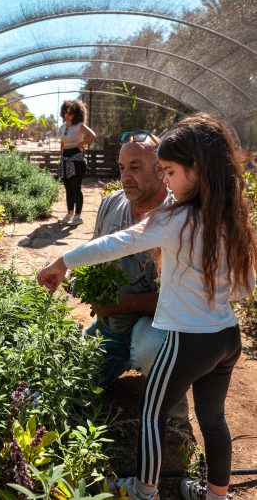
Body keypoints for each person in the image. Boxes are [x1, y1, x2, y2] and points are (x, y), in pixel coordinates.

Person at [38, 113, 256, 500]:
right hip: (225, 336)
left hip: (187, 342)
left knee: (152, 417)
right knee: (214, 420)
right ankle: (217, 495)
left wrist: (62, 262)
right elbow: (244, 290)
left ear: (197, 169)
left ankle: (143, 491)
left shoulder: (176, 217)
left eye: (170, 171)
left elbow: (116, 243)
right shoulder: (229, 215)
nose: (167, 180)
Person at [85, 130, 188, 422]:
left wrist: (117, 303)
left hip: (158, 328)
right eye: (121, 167)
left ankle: (173, 402)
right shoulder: (109, 204)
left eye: (135, 167)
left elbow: (178, 300)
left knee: (149, 347)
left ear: (159, 170)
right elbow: (95, 259)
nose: (125, 177)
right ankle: (118, 355)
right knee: (78, 379)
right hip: (110, 328)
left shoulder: (178, 217)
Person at [57, 100, 96, 225]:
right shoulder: (62, 127)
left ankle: (77, 216)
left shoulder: (79, 125)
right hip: (65, 159)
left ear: (76, 114)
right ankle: (69, 214)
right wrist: (61, 157)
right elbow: (62, 143)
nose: (67, 115)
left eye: (70, 113)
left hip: (77, 159)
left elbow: (92, 135)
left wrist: (82, 143)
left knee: (76, 188)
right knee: (68, 188)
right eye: (65, 112)